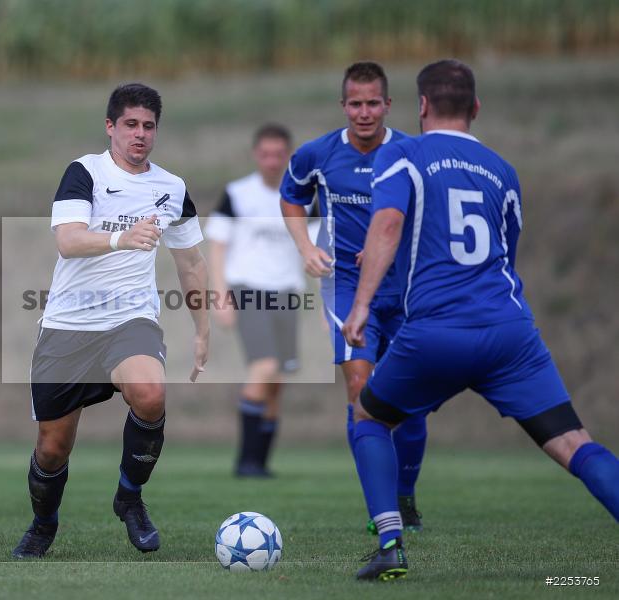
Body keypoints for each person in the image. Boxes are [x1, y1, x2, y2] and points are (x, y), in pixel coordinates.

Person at [342, 59, 619, 581]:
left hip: (436, 332)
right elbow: (505, 257)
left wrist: (361, 304)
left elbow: (387, 224)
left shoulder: (401, 153)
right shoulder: (503, 171)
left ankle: (390, 544)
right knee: (574, 443)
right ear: (475, 108)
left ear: (421, 106)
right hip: (509, 334)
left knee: (369, 416)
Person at [13, 83, 209, 559]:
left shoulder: (172, 188)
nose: (140, 134)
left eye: (148, 126)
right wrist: (123, 238)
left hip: (130, 321)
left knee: (151, 392)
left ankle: (130, 498)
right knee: (53, 449)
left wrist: (202, 330)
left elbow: (191, 263)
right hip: (68, 327)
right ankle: (43, 525)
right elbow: (69, 240)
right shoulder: (85, 172)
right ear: (110, 127)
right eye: (130, 125)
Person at [280, 62, 428, 531]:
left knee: (411, 404)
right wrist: (305, 247)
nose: (364, 112)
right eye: (355, 103)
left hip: (406, 293)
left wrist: (390, 244)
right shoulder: (317, 154)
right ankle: (381, 509)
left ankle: (404, 495)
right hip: (343, 286)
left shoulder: (411, 152)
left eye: (372, 103)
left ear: (388, 104)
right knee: (361, 391)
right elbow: (291, 197)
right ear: (343, 106)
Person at [206, 123, 304, 477]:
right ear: (255, 155)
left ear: (288, 156)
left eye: (279, 154)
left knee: (276, 382)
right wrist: (221, 296)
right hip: (249, 291)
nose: (272, 161)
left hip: (287, 294)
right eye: (265, 154)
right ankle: (245, 462)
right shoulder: (237, 194)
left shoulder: (302, 196)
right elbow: (217, 246)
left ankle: (261, 464)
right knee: (263, 367)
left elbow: (318, 248)